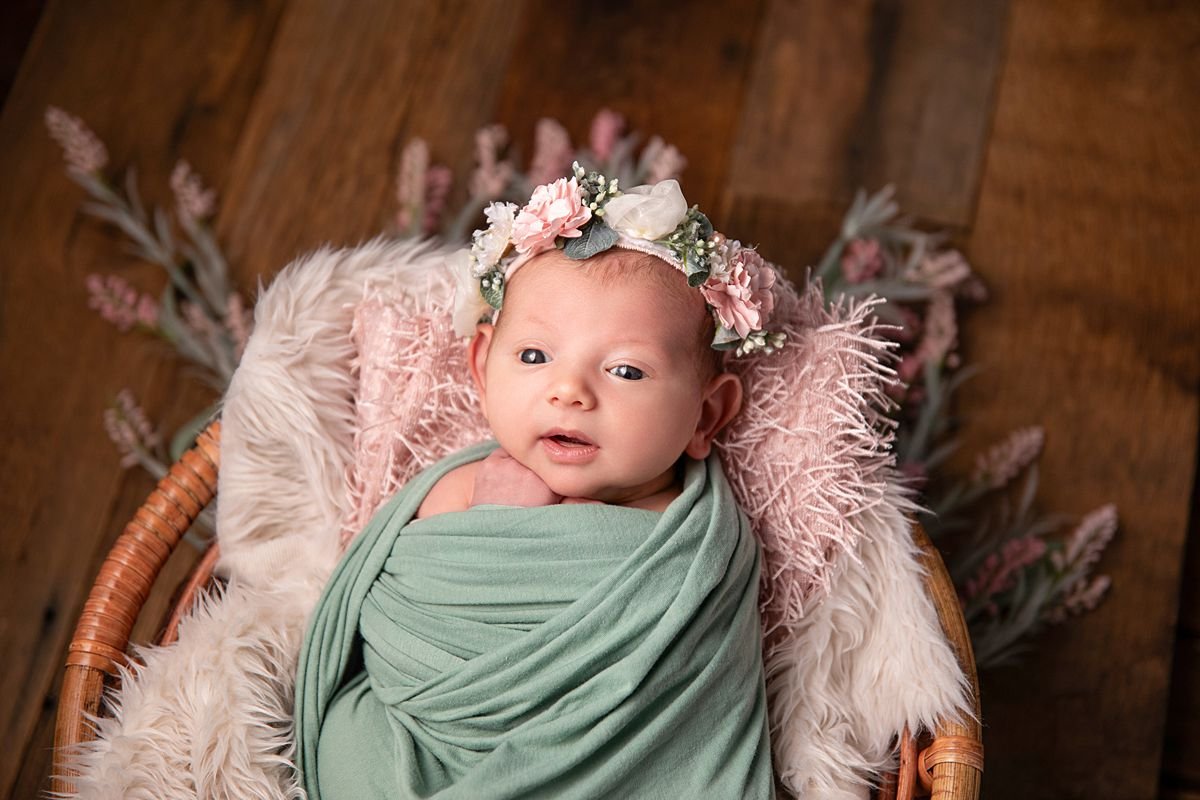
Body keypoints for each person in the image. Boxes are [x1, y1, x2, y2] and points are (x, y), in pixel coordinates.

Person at [294, 165, 786, 799]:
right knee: (354, 740)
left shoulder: (699, 553)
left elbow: (692, 713)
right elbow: (396, 621)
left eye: (626, 371)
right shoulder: (462, 486)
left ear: (707, 414)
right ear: (481, 366)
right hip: (418, 748)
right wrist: (497, 529)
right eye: (534, 356)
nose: (569, 391)